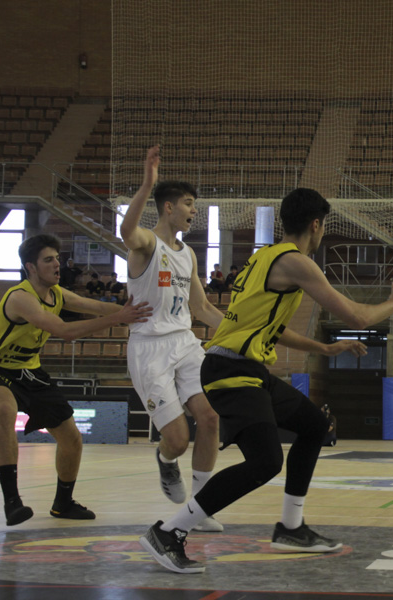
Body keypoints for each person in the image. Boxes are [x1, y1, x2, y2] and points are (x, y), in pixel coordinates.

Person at [141, 187, 393, 574]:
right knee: (266, 462)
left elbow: (267, 328)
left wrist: (325, 349)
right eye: (322, 228)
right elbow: (358, 317)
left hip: (245, 369)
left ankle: (291, 527)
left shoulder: (262, 258)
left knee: (314, 426)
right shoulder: (296, 262)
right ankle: (169, 532)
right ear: (316, 226)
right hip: (231, 370)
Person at [0, 233, 152, 526]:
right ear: (31, 267)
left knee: (72, 438)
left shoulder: (58, 294)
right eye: (48, 260)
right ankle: (12, 502)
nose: (57, 264)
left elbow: (95, 307)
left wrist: (136, 311)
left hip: (30, 372)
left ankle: (63, 503)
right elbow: (64, 331)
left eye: (57, 258)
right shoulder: (20, 298)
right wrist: (121, 318)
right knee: (5, 409)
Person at [120, 146, 228, 540]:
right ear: (168, 207)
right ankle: (166, 459)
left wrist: (239, 330)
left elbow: (201, 306)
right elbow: (127, 232)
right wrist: (147, 183)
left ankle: (200, 508)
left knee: (212, 417)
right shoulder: (147, 244)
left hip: (185, 342)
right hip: (150, 347)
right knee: (178, 439)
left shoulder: (189, 255)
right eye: (188, 204)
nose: (193, 211)